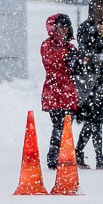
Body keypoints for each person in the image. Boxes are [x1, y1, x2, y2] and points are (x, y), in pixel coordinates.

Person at [73, 0, 103, 168]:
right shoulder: (86, 27)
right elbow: (87, 52)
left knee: (96, 120)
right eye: (102, 7)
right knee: (94, 119)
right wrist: (101, 38)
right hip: (90, 81)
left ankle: (81, 151)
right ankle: (97, 155)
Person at [40, 13, 80, 169]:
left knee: (65, 127)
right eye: (60, 27)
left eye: (66, 27)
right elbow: (50, 62)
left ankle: (63, 155)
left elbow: (75, 69)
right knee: (58, 125)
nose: (63, 30)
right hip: (54, 91)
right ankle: (54, 156)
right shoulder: (47, 45)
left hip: (68, 92)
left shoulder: (70, 47)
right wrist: (68, 58)